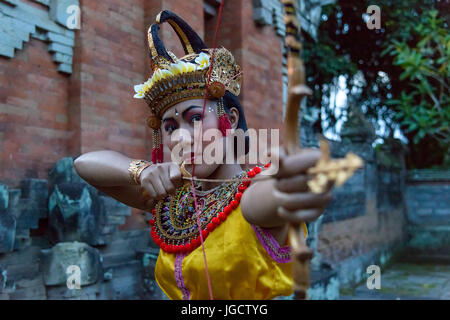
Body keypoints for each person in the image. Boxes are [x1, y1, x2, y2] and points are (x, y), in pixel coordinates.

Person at [74, 10, 332, 300]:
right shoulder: (174, 201)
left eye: (195, 118)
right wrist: (143, 171)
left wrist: (299, 182)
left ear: (231, 120)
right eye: (170, 127)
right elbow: (84, 164)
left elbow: (276, 197)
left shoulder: (251, 196)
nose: (181, 138)